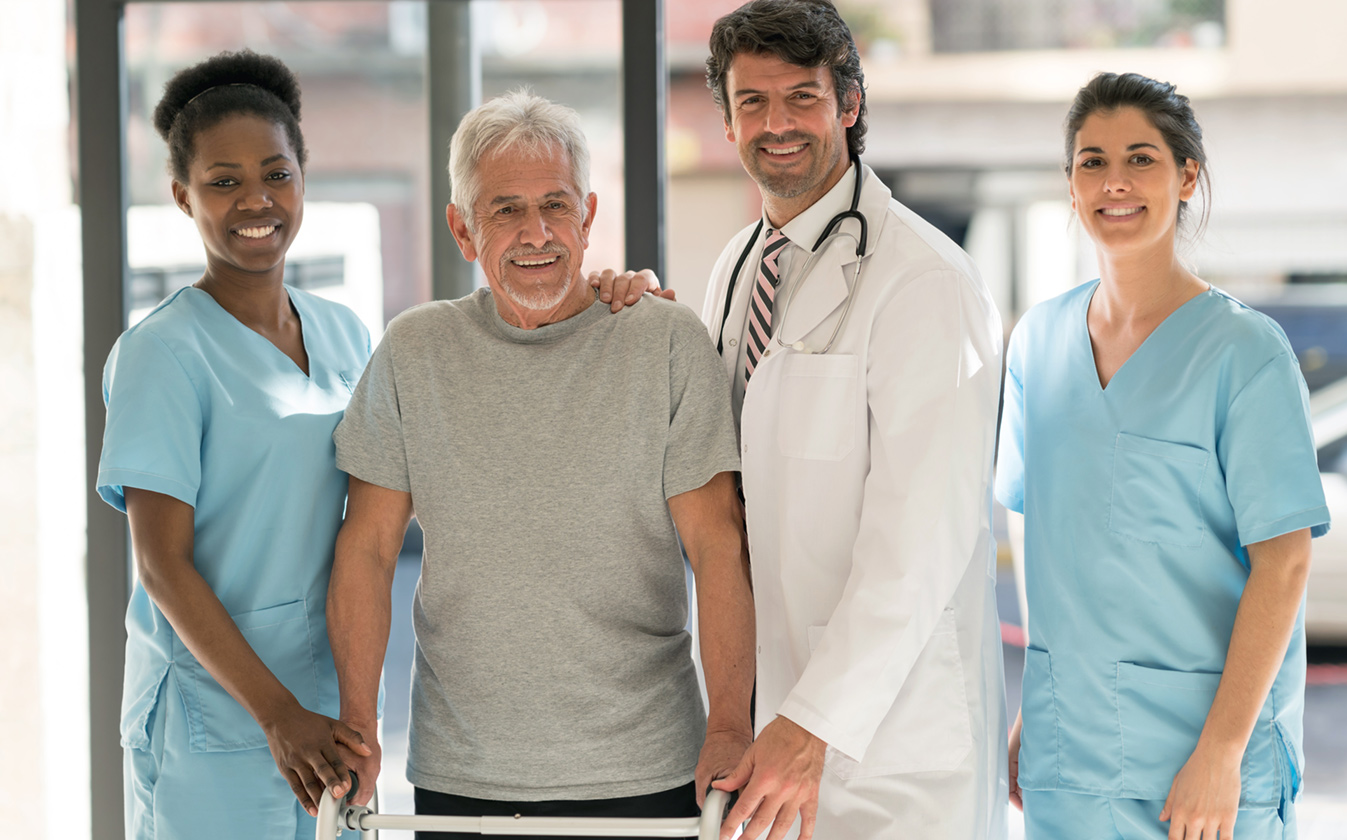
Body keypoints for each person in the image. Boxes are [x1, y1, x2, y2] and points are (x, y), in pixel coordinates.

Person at [325, 90, 756, 839]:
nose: (536, 234)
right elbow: (366, 550)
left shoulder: (664, 343)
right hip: (464, 776)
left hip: (647, 771)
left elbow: (718, 546)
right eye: (505, 210)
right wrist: (360, 731)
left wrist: (728, 723)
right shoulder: (414, 351)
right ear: (462, 228)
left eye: (556, 206)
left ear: (588, 217)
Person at [703, 2, 1010, 837]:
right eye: (752, 102)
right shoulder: (736, 267)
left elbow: (922, 539)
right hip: (778, 728)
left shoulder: (925, 281)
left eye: (802, 97)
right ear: (727, 121)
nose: (777, 125)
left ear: (849, 104)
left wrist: (816, 723)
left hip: (888, 739)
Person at [997, 72, 1329, 840]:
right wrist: (1034, 703)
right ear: (1070, 184)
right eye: (1092, 161)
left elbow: (1283, 562)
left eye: (1141, 158)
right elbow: (1036, 531)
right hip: (1066, 751)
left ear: (1187, 176)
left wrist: (1221, 750)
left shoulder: (1243, 353)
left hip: (1204, 765)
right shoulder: (1037, 342)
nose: (1114, 182)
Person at [96, 50, 373, 840]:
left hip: (326, 708)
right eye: (223, 181)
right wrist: (277, 714)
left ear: (303, 176)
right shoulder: (163, 354)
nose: (256, 200)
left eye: (275, 174)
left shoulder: (346, 333)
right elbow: (161, 565)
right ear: (183, 196)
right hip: (212, 715)